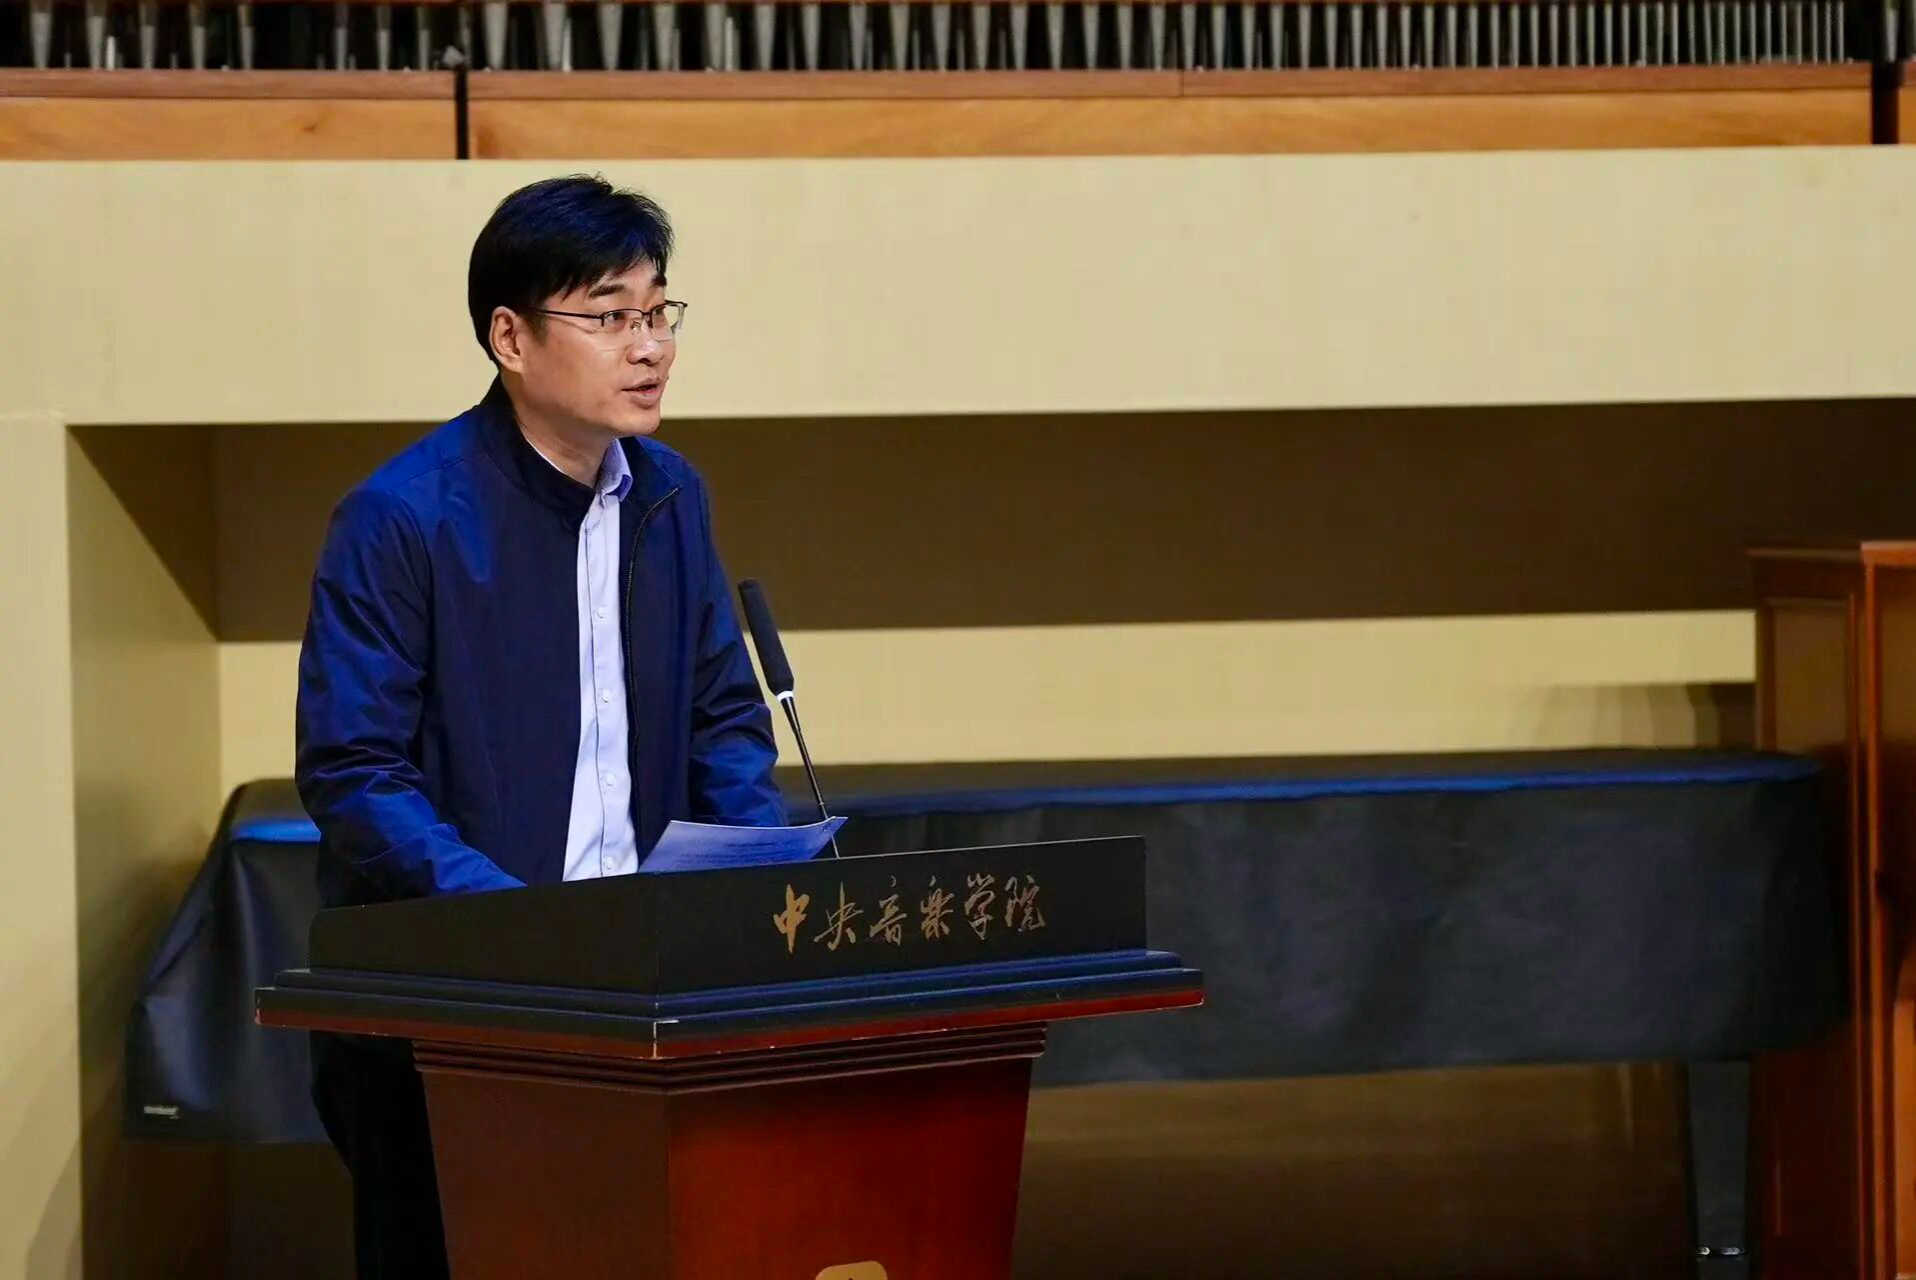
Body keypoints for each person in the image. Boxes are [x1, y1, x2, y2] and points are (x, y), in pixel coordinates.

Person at [294, 173, 785, 1278]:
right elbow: (355, 771)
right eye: (609, 316)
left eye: (658, 311)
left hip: (645, 1004)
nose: (649, 346)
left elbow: (722, 718)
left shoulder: (670, 495)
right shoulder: (401, 517)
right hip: (456, 1013)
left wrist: (751, 884)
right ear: (510, 338)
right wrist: (519, 926)